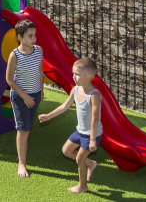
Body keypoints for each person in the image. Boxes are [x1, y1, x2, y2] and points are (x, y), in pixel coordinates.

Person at [38, 57, 103, 194]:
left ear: (89, 76)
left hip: (91, 134)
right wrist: (49, 116)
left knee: (80, 159)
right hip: (80, 131)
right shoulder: (75, 90)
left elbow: (95, 118)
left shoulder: (94, 95)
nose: (73, 76)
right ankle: (91, 164)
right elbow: (64, 106)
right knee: (66, 151)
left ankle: (83, 186)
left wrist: (92, 140)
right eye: (73, 73)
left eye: (77, 74)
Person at [5, 19, 44, 178]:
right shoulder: (15, 55)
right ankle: (22, 163)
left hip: (35, 94)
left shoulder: (38, 50)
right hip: (21, 97)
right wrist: (25, 96)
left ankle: (21, 154)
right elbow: (9, 80)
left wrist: (40, 90)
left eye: (34, 35)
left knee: (28, 127)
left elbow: (40, 71)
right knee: (23, 129)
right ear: (20, 37)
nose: (34, 39)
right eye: (30, 36)